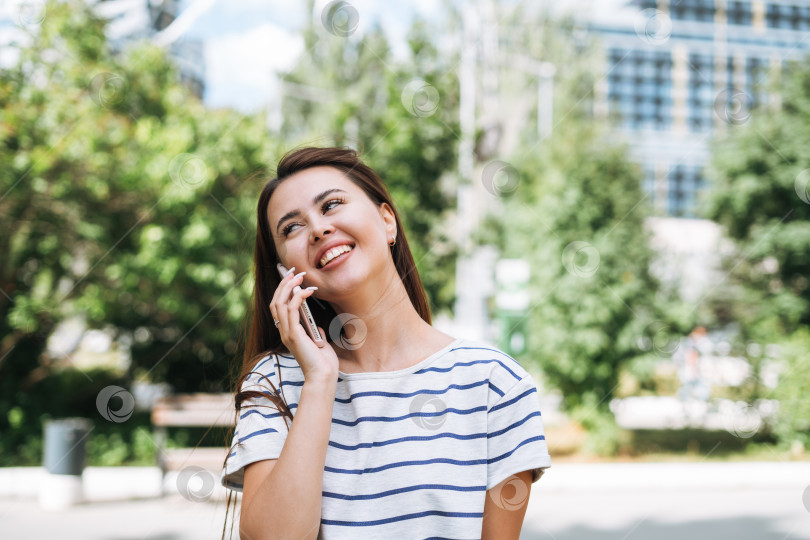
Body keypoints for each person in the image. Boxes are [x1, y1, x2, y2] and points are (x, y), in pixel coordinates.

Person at [220, 146, 552, 539]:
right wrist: (321, 380)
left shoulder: (494, 382)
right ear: (285, 272)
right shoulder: (274, 381)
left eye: (332, 205)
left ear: (387, 220)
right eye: (291, 228)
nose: (318, 229)